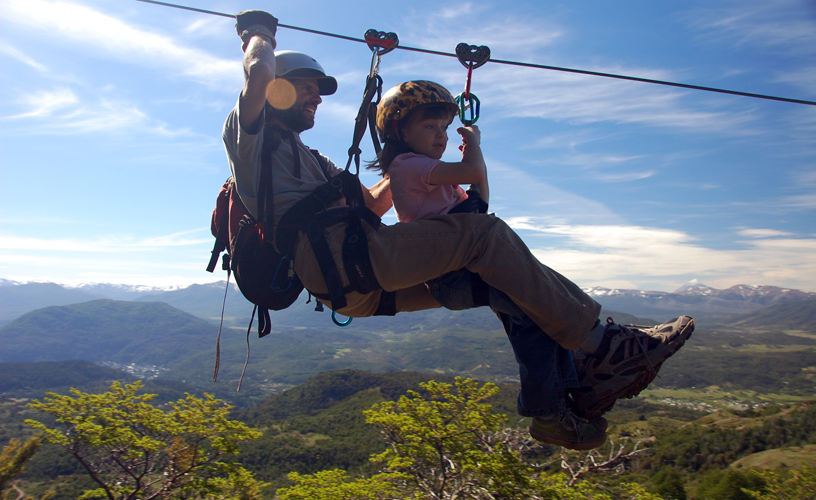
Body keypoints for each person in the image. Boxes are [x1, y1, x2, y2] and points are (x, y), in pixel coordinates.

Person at [222, 10, 694, 446]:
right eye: (306, 87)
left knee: (509, 285)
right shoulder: (250, 138)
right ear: (275, 88)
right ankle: (605, 346)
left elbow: (372, 206)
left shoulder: (313, 161)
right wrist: (258, 33)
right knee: (485, 234)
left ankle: (557, 407)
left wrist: (412, 158)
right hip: (348, 264)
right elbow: (258, 71)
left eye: (319, 91)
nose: (317, 98)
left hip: (357, 280)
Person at [368, 79, 609, 448]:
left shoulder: (431, 175)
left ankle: (566, 398)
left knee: (532, 311)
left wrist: (474, 162)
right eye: (429, 127)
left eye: (444, 129)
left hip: (462, 268)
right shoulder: (408, 165)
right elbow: (472, 174)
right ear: (401, 131)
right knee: (533, 308)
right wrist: (475, 147)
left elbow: (478, 200)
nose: (440, 136)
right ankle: (553, 408)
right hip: (452, 274)